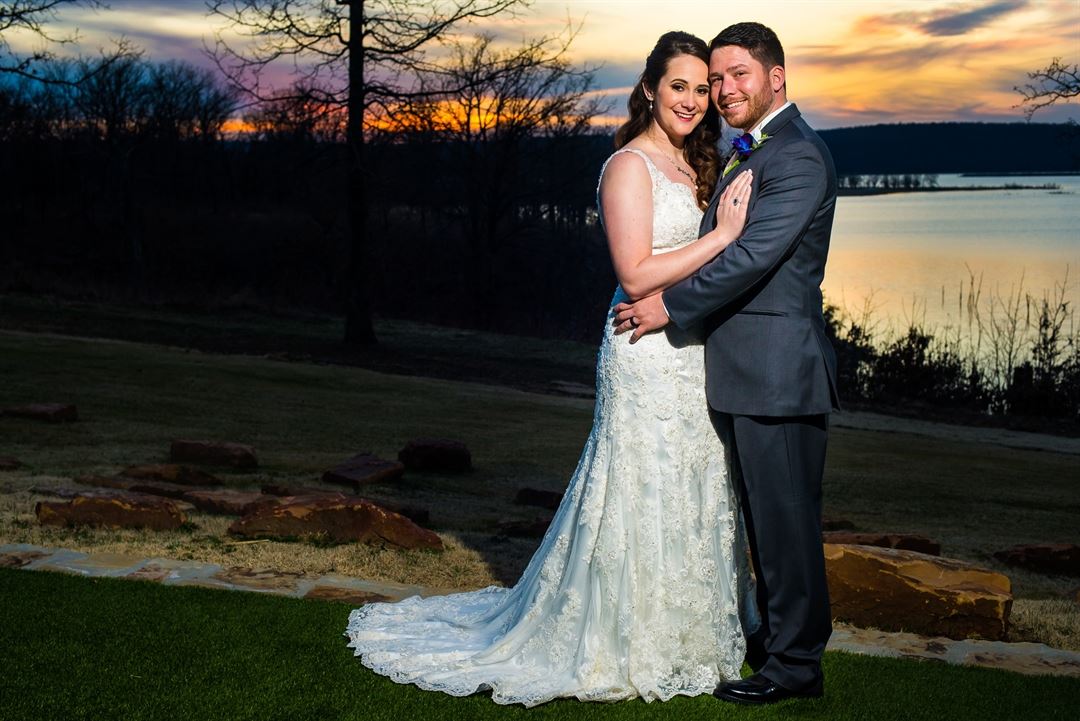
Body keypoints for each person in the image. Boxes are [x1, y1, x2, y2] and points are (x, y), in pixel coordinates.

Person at [344, 31, 756, 707]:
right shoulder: (628, 166)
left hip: (692, 350)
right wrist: (723, 236)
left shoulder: (697, 164)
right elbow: (635, 273)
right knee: (640, 484)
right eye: (677, 86)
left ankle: (691, 635)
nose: (690, 100)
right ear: (649, 89)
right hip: (644, 352)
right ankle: (621, 639)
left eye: (700, 89)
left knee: (693, 482)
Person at [614, 22, 840, 705]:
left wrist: (669, 306)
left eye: (738, 74)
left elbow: (750, 256)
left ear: (776, 77)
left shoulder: (797, 157)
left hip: (778, 372)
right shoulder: (751, 150)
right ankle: (774, 644)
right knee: (767, 522)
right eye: (716, 78)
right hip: (746, 373)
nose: (723, 89)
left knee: (787, 524)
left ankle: (795, 665)